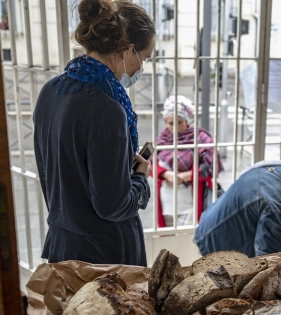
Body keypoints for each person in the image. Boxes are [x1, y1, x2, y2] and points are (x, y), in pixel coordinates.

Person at [33, 0, 155, 266]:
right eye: (143, 59)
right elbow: (113, 205)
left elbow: (50, 173)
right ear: (127, 50)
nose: (139, 69)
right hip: (103, 258)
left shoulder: (50, 91)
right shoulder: (108, 108)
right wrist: (140, 179)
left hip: (62, 245)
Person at [153, 95, 223, 227]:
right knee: (169, 243)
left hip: (191, 204)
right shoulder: (160, 140)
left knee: (186, 242)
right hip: (166, 205)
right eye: (170, 123)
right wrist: (165, 174)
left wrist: (186, 176)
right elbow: (148, 165)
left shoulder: (201, 138)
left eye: (179, 122)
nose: (175, 127)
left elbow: (212, 166)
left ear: (186, 120)